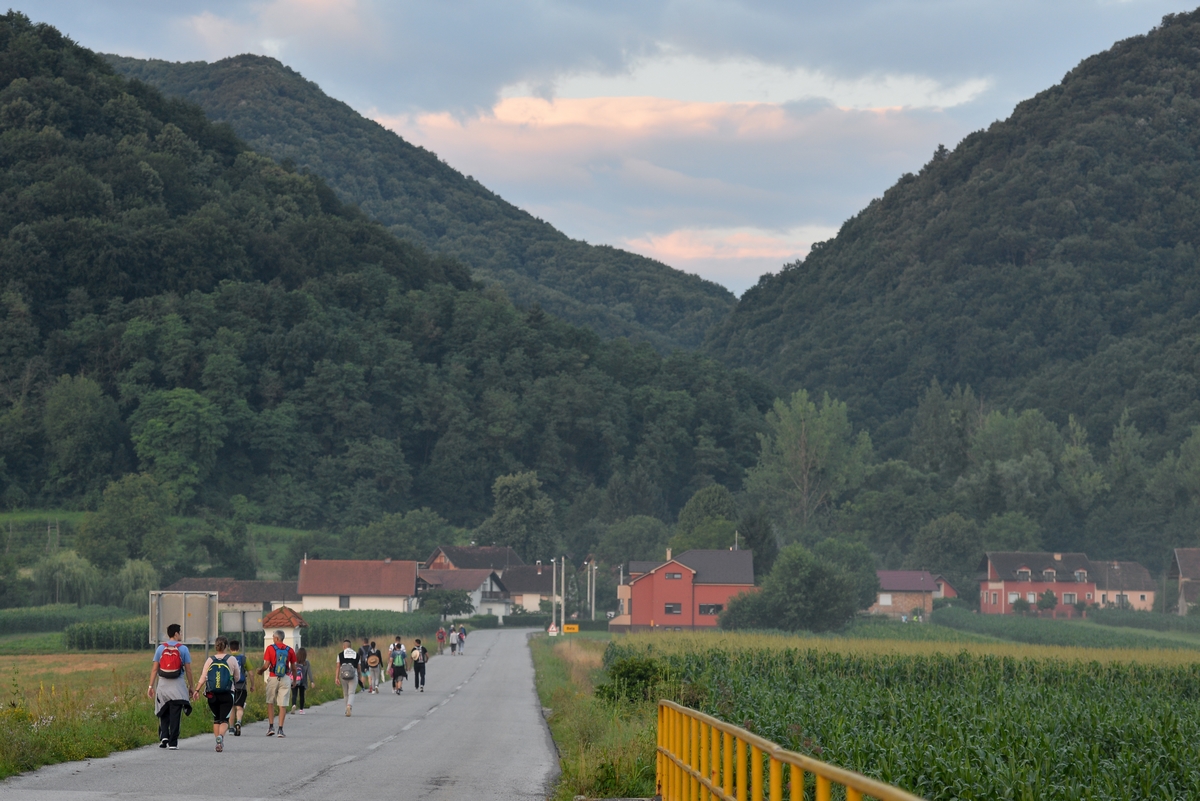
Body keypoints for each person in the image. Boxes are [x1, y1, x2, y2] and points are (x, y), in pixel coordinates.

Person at [148, 623, 194, 750]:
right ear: (176, 634)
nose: (181, 635)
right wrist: (191, 686)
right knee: (175, 714)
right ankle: (173, 742)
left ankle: (164, 737)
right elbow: (189, 670)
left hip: (163, 686)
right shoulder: (183, 649)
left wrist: (150, 686)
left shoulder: (160, 649)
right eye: (180, 632)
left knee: (163, 711)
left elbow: (154, 669)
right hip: (178, 687)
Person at [193, 635, 240, 752]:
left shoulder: (210, 660)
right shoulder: (232, 659)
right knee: (224, 720)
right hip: (227, 694)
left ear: (216, 646)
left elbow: (203, 678)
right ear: (226, 646)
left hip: (212, 695)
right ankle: (221, 737)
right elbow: (237, 678)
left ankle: (217, 743)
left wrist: (197, 690)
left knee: (216, 719)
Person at [259, 630, 295, 738]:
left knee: (270, 702)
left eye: (273, 637)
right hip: (285, 678)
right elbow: (293, 667)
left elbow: (266, 665)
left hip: (273, 677)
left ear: (276, 638)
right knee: (282, 705)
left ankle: (271, 727)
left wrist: (260, 671)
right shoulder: (290, 650)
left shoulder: (270, 648)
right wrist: (295, 680)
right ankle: (280, 729)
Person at [228, 639, 254, 736]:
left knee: (231, 708)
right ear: (238, 648)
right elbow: (251, 673)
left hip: (229, 687)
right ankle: (238, 722)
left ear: (230, 648)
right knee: (239, 707)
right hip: (241, 686)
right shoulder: (244, 659)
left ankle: (231, 729)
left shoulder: (227, 658)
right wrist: (252, 685)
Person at [336, 639, 359, 716]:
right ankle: (349, 706)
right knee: (351, 692)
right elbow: (359, 667)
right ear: (350, 646)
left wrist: (336, 678)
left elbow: (338, 667)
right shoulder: (356, 654)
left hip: (343, 675)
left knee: (345, 693)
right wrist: (360, 676)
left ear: (344, 646)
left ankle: (346, 709)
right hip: (353, 675)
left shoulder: (340, 655)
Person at [292, 647, 314, 714]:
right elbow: (309, 672)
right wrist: (312, 681)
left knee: (294, 694)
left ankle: (294, 705)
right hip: (303, 681)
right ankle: (301, 710)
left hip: (294, 680)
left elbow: (291, 670)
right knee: (302, 695)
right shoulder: (306, 662)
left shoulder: (294, 661)